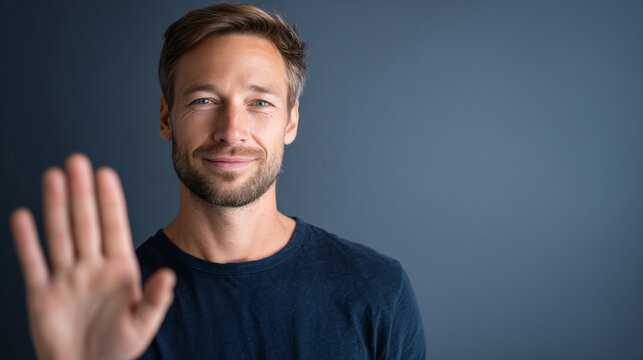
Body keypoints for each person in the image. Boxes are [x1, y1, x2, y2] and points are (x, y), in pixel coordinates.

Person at [9, 3, 426, 359]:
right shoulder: (107, 307)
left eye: (259, 102)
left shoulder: (376, 291)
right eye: (204, 101)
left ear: (291, 120)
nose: (231, 130)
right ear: (166, 117)